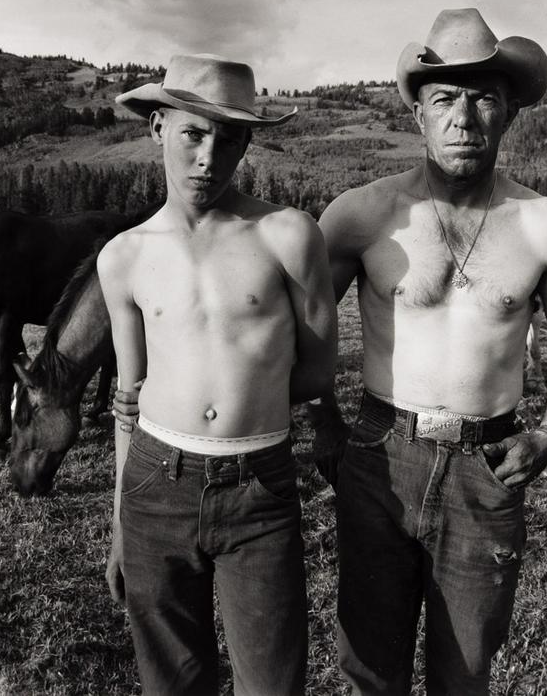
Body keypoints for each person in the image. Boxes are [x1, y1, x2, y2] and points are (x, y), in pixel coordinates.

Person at [310, 8, 547, 695]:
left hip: (488, 464)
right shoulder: (362, 214)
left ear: (509, 115)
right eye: (444, 98)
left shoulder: (546, 226)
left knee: (465, 670)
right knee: (370, 666)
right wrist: (324, 420)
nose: (463, 117)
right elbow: (304, 322)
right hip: (381, 454)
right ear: (418, 114)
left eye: (483, 98)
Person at [98, 53, 338, 696]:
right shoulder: (123, 258)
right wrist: (123, 522)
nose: (209, 157)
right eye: (192, 134)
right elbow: (128, 398)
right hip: (155, 480)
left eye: (229, 139)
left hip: (258, 483)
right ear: (157, 129)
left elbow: (316, 372)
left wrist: (242, 404)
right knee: (172, 679)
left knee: (272, 679)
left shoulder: (288, 235)